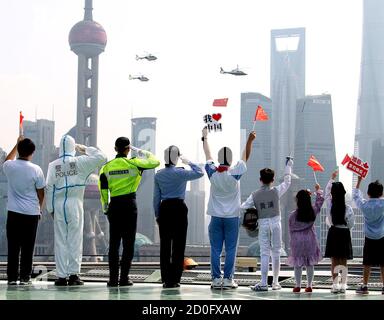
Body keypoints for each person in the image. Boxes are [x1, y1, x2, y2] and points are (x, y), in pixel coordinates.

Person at [46, 135, 107, 286]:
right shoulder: (80, 162)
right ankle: (73, 275)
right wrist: (85, 149)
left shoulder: (53, 165)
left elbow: (49, 188)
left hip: (59, 204)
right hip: (75, 203)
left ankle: (61, 276)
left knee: (60, 241)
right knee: (75, 240)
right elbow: (102, 156)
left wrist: (50, 209)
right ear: (73, 147)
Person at [99, 137, 160, 287]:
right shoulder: (134, 163)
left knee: (113, 244)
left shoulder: (106, 168)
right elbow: (154, 161)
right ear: (128, 149)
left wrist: (106, 207)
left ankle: (113, 279)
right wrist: (139, 151)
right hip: (129, 206)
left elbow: (103, 190)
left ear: (115, 149)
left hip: (114, 206)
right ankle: (124, 278)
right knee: (128, 244)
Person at [203, 128, 256, 289]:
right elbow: (245, 157)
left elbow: (208, 155)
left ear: (219, 159)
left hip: (216, 217)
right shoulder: (235, 172)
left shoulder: (212, 172)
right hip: (232, 217)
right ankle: (227, 279)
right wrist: (249, 141)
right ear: (231, 159)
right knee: (231, 249)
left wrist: (205, 138)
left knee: (215, 249)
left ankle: (215, 279)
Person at [153, 145, 204, 288]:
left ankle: (165, 279)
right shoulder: (181, 173)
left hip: (164, 209)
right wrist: (187, 161)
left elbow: (156, 197)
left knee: (165, 246)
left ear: (164, 158)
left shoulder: (158, 174)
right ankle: (175, 279)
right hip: (179, 208)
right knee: (179, 245)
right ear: (176, 158)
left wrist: (158, 215)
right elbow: (200, 172)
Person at [241, 158, 293, 291]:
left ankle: (263, 283)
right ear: (273, 179)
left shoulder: (254, 195)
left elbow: (244, 206)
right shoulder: (276, 190)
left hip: (263, 224)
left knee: (264, 253)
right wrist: (288, 166)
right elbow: (287, 182)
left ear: (260, 179)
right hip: (276, 223)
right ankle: (275, 283)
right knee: (276, 253)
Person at [2, 136, 45, 285]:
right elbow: (41, 193)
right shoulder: (37, 170)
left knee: (13, 247)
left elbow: (7, 159)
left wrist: (16, 143)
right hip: (31, 214)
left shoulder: (10, 167)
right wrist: (39, 209)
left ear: (19, 150)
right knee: (28, 248)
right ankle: (25, 278)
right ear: (32, 152)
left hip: (13, 213)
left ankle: (12, 278)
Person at [288, 184, 324, 293]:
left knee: (297, 264)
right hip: (310, 239)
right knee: (309, 263)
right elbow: (319, 203)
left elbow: (291, 229)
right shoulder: (312, 211)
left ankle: (297, 285)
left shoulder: (293, 215)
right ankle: (309, 286)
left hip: (297, 241)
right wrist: (318, 191)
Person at [324, 170, 354, 293]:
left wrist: (331, 178)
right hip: (344, 233)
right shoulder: (348, 208)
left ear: (333, 194)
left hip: (334, 233)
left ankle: (335, 285)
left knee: (334, 260)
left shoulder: (330, 205)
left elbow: (326, 193)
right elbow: (351, 224)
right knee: (343, 260)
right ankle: (343, 285)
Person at [353, 176, 384, 295]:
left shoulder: (364, 205)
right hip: (382, 236)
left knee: (367, 263)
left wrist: (359, 181)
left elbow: (356, 196)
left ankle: (365, 286)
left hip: (369, 238)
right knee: (383, 263)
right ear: (381, 193)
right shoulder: (383, 204)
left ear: (368, 193)